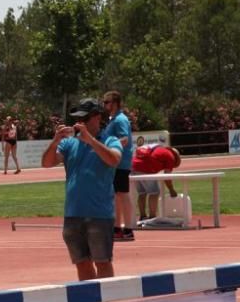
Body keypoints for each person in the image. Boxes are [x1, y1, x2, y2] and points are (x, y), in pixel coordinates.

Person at [40, 98, 123, 281]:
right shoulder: (69, 144)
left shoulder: (110, 140)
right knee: (82, 263)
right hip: (73, 213)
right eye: (78, 119)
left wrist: (91, 141)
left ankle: (106, 301)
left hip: (99, 213)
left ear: (97, 117)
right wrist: (55, 141)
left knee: (102, 262)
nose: (80, 123)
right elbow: (46, 162)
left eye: (84, 119)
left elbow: (114, 160)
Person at [104, 91, 134, 242]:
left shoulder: (120, 120)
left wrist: (108, 150)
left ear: (115, 103)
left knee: (122, 194)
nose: (105, 105)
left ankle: (127, 229)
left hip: (120, 162)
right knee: (117, 195)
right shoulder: (113, 119)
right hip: (115, 162)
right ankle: (118, 228)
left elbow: (124, 139)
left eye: (107, 102)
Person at [132, 144, 182, 221]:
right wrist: (171, 189)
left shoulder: (160, 149)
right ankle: (152, 218)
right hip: (146, 168)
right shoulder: (170, 156)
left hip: (134, 167)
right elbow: (167, 176)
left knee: (142, 193)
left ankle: (142, 216)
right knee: (154, 193)